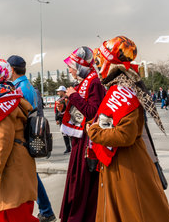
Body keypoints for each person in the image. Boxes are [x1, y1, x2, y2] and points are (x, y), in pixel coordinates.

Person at [86, 35, 169, 222]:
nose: (97, 65)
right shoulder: (121, 87)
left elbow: (125, 135)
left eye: (99, 60)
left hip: (128, 165)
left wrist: (94, 132)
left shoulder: (122, 90)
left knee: (138, 213)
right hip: (121, 163)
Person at [0, 59, 39, 222]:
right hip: (20, 162)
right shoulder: (13, 95)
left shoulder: (3, 103)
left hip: (13, 165)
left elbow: (5, 142)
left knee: (9, 216)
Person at [7, 55, 56, 222]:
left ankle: (45, 211)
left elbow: (20, 116)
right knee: (31, 175)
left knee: (29, 176)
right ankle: (46, 210)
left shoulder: (20, 89)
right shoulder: (28, 86)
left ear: (11, 69)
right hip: (29, 136)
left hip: (23, 137)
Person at [59, 46, 105, 222]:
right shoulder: (88, 81)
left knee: (82, 182)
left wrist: (74, 96)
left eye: (72, 66)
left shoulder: (94, 82)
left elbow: (93, 111)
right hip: (80, 138)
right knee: (77, 181)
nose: (70, 70)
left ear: (80, 66)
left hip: (87, 141)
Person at [54, 86, 71, 154]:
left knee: (70, 134)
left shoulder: (67, 99)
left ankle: (73, 148)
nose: (58, 92)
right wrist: (57, 119)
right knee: (64, 134)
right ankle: (68, 148)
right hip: (61, 119)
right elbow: (56, 110)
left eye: (59, 91)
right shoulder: (59, 100)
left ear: (63, 92)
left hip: (67, 119)